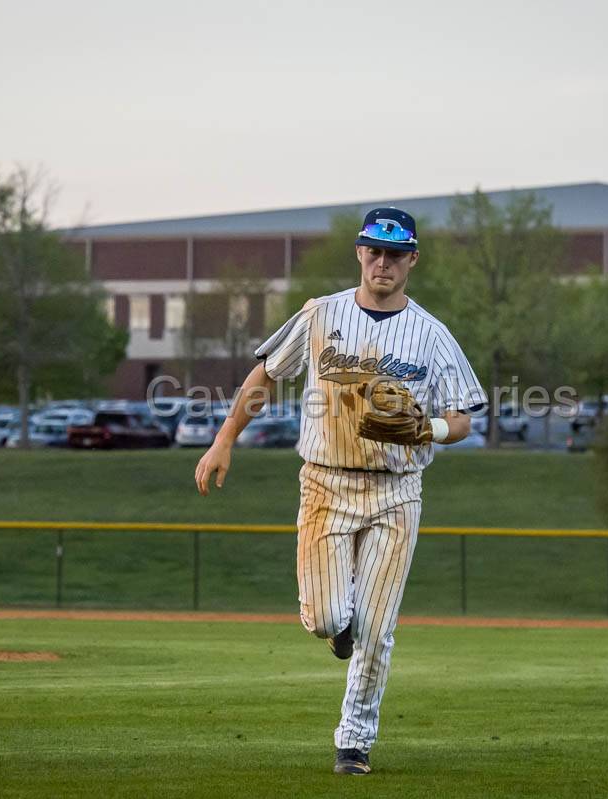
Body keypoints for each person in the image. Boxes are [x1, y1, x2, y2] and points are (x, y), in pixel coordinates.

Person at [194, 208, 484, 776]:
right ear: (359, 253)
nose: (383, 262)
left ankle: (354, 742)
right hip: (325, 481)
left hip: (397, 491)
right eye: (374, 250)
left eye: (395, 254)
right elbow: (266, 376)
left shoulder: (432, 334)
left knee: (378, 629)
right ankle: (337, 628)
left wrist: (430, 427)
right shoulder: (321, 314)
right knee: (327, 617)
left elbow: (465, 418)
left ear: (412, 261)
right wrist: (223, 440)